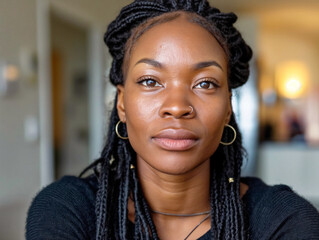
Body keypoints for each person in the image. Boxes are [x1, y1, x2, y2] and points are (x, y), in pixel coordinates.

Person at [26, 0, 319, 239]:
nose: (177, 107)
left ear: (228, 107)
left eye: (205, 83)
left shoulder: (285, 221)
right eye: (151, 81)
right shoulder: (67, 210)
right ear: (122, 102)